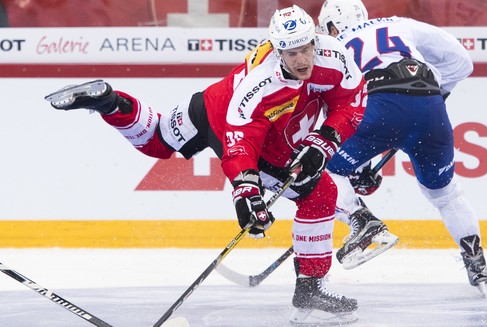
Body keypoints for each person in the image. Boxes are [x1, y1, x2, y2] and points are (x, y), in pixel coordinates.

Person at [45, 5, 397, 325]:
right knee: (319, 192)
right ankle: (310, 289)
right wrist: (246, 192)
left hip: (211, 101)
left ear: (315, 40)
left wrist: (325, 140)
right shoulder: (263, 85)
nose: (302, 58)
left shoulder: (333, 56)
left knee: (155, 140)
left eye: (306, 48)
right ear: (277, 50)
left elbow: (352, 101)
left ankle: (110, 102)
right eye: (292, 53)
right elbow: (240, 141)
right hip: (235, 123)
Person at [318, 0, 487, 294]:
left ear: (333, 26)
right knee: (446, 195)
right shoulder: (399, 23)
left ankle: (362, 222)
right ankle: (476, 263)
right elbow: (463, 62)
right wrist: (433, 95)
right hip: (430, 108)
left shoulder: (332, 49)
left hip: (378, 108)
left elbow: (338, 120)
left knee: (322, 169)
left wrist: (356, 171)